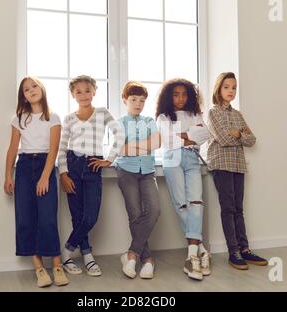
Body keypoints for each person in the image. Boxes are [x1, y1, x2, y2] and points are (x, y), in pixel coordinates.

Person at [4, 76, 69, 287]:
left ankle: (57, 265)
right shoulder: (19, 119)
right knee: (25, 217)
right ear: (22, 96)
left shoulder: (54, 118)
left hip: (45, 165)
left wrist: (44, 176)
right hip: (23, 168)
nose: (31, 90)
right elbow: (13, 149)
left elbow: (54, 149)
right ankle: (39, 268)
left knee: (48, 217)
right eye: (25, 89)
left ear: (41, 88)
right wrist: (7, 176)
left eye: (34, 86)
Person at [58, 75, 125, 277]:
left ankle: (67, 251)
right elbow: (62, 148)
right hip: (72, 165)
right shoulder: (69, 118)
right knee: (77, 216)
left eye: (87, 90)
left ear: (94, 92)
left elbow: (119, 134)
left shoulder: (102, 113)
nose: (83, 94)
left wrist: (110, 159)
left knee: (90, 216)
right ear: (72, 95)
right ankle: (88, 255)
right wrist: (63, 174)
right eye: (78, 91)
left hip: (93, 166)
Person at [206, 72, 268, 270]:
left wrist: (237, 133)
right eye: (226, 87)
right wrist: (239, 134)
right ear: (218, 89)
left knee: (238, 209)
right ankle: (233, 252)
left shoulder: (238, 114)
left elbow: (252, 140)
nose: (230, 91)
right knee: (228, 208)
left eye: (233, 87)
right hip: (221, 165)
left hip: (238, 165)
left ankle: (245, 249)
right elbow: (223, 139)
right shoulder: (213, 112)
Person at [156, 78, 211, 281]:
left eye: (184, 94)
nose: (180, 98)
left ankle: (191, 256)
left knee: (196, 202)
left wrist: (182, 135)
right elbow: (168, 140)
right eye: (176, 94)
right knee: (181, 204)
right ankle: (201, 251)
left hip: (192, 159)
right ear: (169, 96)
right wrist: (190, 135)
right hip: (172, 159)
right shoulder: (163, 117)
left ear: (190, 96)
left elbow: (205, 134)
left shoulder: (195, 114)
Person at [115, 81, 161, 279]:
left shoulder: (150, 120)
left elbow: (157, 143)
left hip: (148, 171)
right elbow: (120, 150)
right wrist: (145, 145)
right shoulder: (119, 123)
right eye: (134, 99)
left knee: (154, 210)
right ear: (125, 100)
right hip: (126, 172)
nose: (138, 104)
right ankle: (148, 259)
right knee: (134, 214)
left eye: (142, 100)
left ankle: (131, 254)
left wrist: (132, 145)